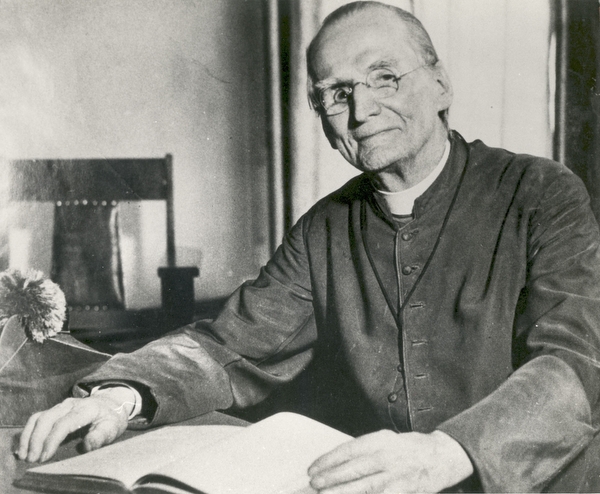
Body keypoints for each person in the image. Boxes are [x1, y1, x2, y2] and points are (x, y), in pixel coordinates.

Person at [17, 2, 600, 492]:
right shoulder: (325, 227)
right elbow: (230, 344)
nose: (362, 110)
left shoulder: (540, 192)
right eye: (335, 95)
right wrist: (122, 395)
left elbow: (575, 364)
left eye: (384, 78)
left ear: (441, 83)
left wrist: (447, 452)